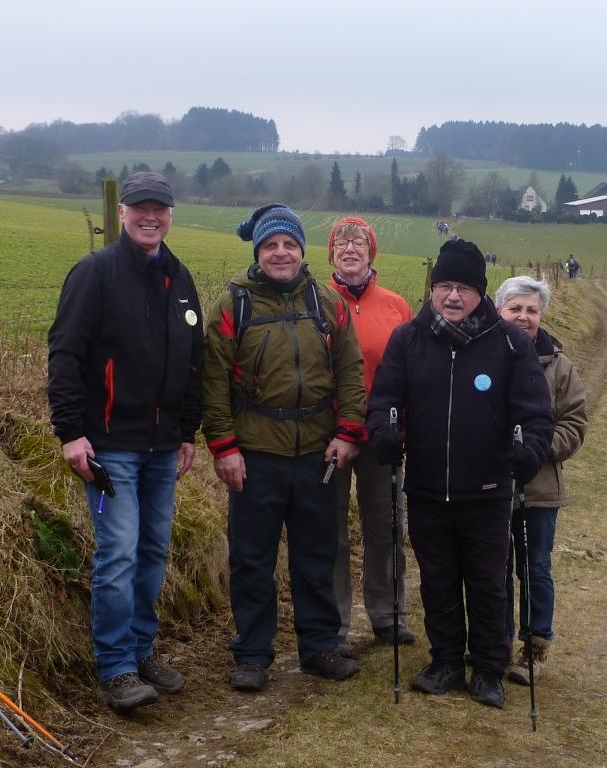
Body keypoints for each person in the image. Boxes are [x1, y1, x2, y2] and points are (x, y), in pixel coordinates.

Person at [367, 239, 554, 709]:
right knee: (438, 578)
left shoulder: (510, 343)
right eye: (445, 286)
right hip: (427, 487)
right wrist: (385, 433)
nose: (453, 296)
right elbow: (385, 400)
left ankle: (489, 668)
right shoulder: (408, 339)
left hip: (489, 489)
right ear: (433, 289)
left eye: (464, 288)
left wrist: (531, 449)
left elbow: (535, 410)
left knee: (488, 582)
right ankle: (446, 660)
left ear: (481, 294)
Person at [47, 171, 203, 713]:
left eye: (159, 208)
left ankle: (141, 650)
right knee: (118, 554)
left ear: (170, 215)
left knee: (154, 552)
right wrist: (71, 432)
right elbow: (65, 354)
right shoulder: (95, 273)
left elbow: (193, 362)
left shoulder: (180, 279)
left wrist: (189, 431)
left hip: (163, 448)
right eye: (140, 207)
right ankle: (115, 668)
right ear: (123, 213)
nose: (150, 216)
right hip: (111, 446)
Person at [201, 203, 367, 692]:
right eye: (271, 246)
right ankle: (252, 654)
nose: (280, 253)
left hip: (318, 451)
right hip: (255, 455)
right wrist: (224, 447)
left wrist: (347, 431)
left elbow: (351, 371)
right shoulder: (235, 305)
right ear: (258, 252)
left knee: (316, 554)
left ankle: (319, 647)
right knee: (252, 558)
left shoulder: (326, 303)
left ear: (301, 251)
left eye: (289, 245)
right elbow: (212, 383)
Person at [326, 217, 415, 653]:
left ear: (371, 251)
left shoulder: (396, 306)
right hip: (330, 435)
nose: (349, 249)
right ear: (331, 254)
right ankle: (334, 621)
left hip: (384, 434)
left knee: (386, 524)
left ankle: (388, 612)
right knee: (332, 530)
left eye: (358, 242)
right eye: (341, 243)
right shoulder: (318, 301)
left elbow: (415, 369)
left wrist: (409, 427)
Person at [495, 276, 587, 685]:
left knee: (534, 568)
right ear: (499, 311)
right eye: (515, 308)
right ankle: (496, 642)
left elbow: (574, 422)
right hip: (490, 485)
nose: (523, 317)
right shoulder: (483, 355)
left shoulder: (558, 365)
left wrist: (536, 447)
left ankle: (535, 645)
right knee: (493, 567)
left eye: (531, 310)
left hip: (540, 487)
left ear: (541, 315)